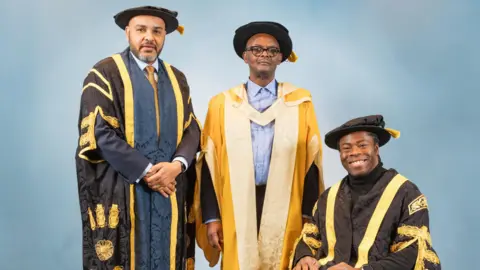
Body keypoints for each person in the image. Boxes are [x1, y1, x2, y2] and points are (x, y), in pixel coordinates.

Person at [75, 6, 200, 270]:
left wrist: (176, 166)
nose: (149, 38)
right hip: (124, 190)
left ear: (165, 35)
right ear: (128, 32)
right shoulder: (104, 74)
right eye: (141, 30)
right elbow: (99, 132)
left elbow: (192, 129)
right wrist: (147, 171)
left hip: (170, 191)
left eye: (157, 31)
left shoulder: (178, 79)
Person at [193, 21, 325, 269]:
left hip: (288, 203)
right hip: (235, 201)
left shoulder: (300, 102)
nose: (264, 54)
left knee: (285, 259)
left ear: (282, 58)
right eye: (256, 49)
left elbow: (311, 163)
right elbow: (209, 164)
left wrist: (309, 216)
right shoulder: (221, 104)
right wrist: (212, 217)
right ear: (245, 56)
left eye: (272, 50)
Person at [290, 115, 441, 270]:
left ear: (376, 149)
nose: (354, 152)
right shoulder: (328, 197)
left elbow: (412, 253)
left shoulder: (405, 192)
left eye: (362, 145)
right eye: (346, 148)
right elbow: (310, 239)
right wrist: (304, 256)